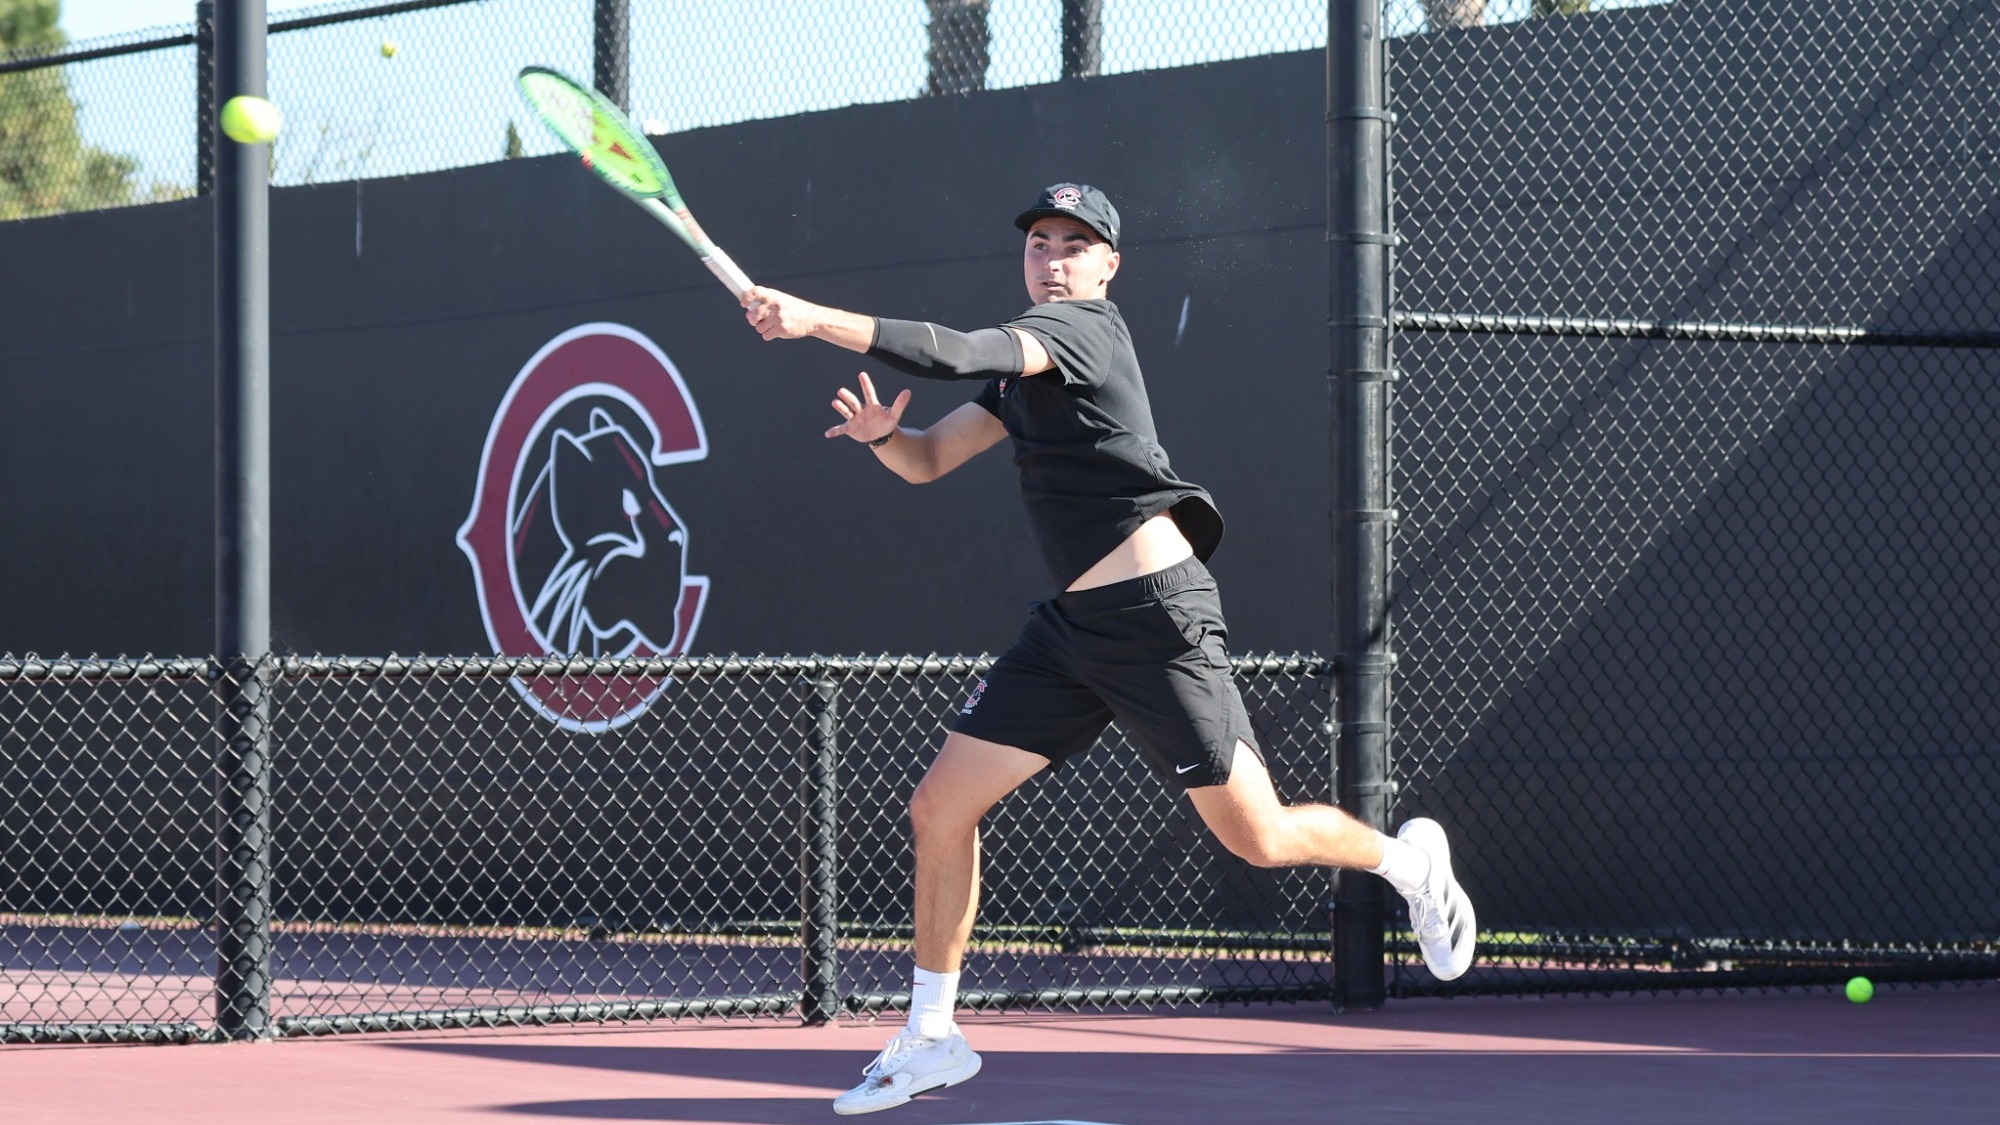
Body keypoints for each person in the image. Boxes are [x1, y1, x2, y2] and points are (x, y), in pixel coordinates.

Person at [741, 183, 1477, 1116]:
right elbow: (929, 458)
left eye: (1074, 244)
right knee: (939, 808)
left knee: (1261, 837)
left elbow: (959, 349)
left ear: (1107, 266)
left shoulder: (1087, 331)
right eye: (1040, 241)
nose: (1052, 257)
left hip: (1156, 619)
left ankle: (1410, 864)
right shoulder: (1023, 378)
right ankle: (931, 1034)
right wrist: (887, 439)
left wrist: (812, 320)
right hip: (1070, 633)